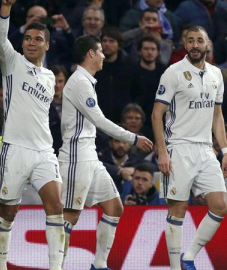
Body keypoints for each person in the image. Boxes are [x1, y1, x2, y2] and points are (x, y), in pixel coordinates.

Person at [58, 34, 153, 270]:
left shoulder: (86, 81)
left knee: (114, 207)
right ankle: (55, 266)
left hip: (90, 157)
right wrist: (133, 138)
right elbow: (99, 120)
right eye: (100, 51)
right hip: (76, 158)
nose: (103, 55)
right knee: (70, 215)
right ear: (90, 53)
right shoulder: (79, 82)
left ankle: (99, 266)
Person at [151, 25, 227, 270]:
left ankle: (189, 257)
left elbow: (217, 116)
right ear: (185, 45)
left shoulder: (217, 74)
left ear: (208, 45)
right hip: (179, 148)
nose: (195, 45)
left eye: (200, 40)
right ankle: (176, 267)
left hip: (206, 149)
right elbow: (156, 115)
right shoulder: (173, 73)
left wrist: (225, 151)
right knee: (178, 209)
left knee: (220, 206)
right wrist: (162, 152)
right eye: (191, 41)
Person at [0, 1, 65, 270]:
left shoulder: (49, 76)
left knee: (56, 205)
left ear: (47, 45)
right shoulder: (12, 63)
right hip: (15, 150)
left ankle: (56, 267)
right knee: (8, 213)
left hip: (44, 151)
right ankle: (1, 267)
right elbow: (0, 38)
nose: (31, 42)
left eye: (38, 39)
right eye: (27, 38)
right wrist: (5, 10)